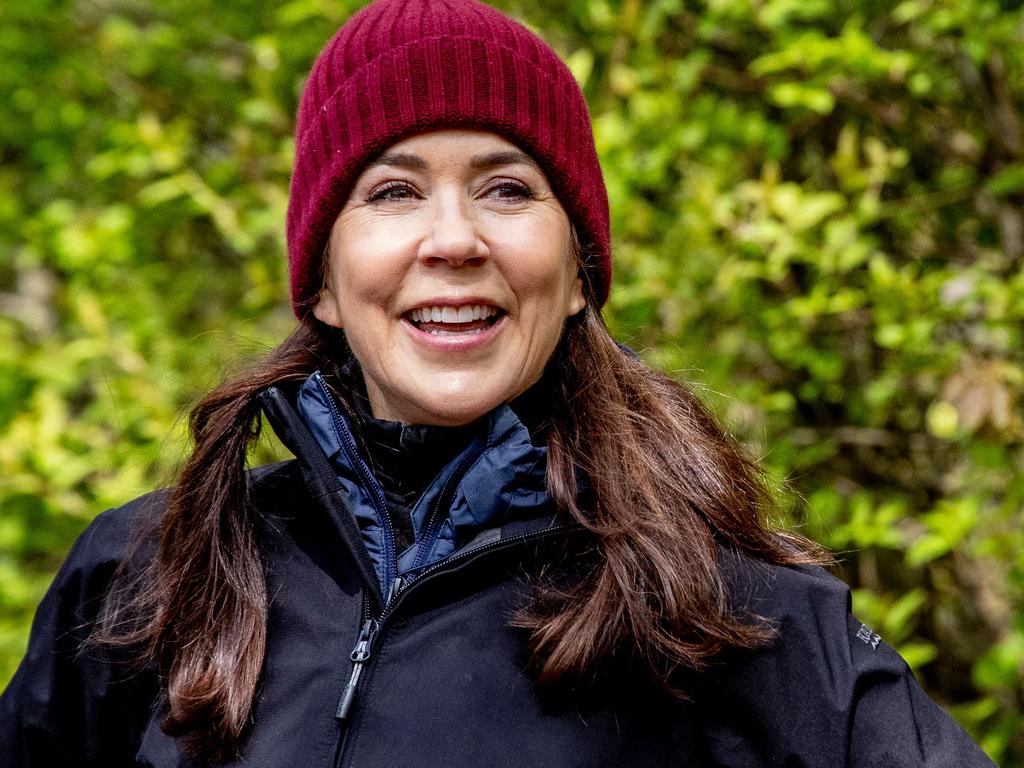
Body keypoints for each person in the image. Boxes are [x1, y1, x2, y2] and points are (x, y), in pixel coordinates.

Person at [0, 0, 997, 766]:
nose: (453, 240)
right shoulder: (146, 578)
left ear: (575, 276)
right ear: (324, 283)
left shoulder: (728, 620)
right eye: (391, 192)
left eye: (508, 189)